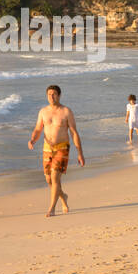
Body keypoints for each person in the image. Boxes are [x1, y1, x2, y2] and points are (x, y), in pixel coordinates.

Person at [29, 84, 84, 218]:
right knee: (49, 179)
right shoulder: (43, 111)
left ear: (59, 95)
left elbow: (74, 132)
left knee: (54, 176)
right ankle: (63, 197)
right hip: (47, 148)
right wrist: (32, 140)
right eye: (49, 94)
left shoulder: (66, 111)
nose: (51, 96)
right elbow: (38, 129)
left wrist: (80, 153)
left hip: (62, 147)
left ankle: (52, 208)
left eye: (54, 94)